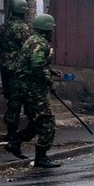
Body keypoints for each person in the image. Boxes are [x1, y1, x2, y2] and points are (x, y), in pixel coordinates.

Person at [12, 13, 61, 168]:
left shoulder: (32, 40)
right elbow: (37, 66)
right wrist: (50, 82)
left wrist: (51, 71)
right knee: (47, 122)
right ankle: (41, 157)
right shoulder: (39, 43)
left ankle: (15, 142)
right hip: (33, 90)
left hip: (27, 88)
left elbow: (35, 63)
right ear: (47, 30)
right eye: (51, 29)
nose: (53, 32)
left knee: (36, 122)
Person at [0, 0, 31, 159]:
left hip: (5, 67)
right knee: (16, 102)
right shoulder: (22, 27)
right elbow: (28, 48)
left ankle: (10, 133)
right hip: (18, 69)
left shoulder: (4, 27)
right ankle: (13, 137)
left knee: (11, 100)